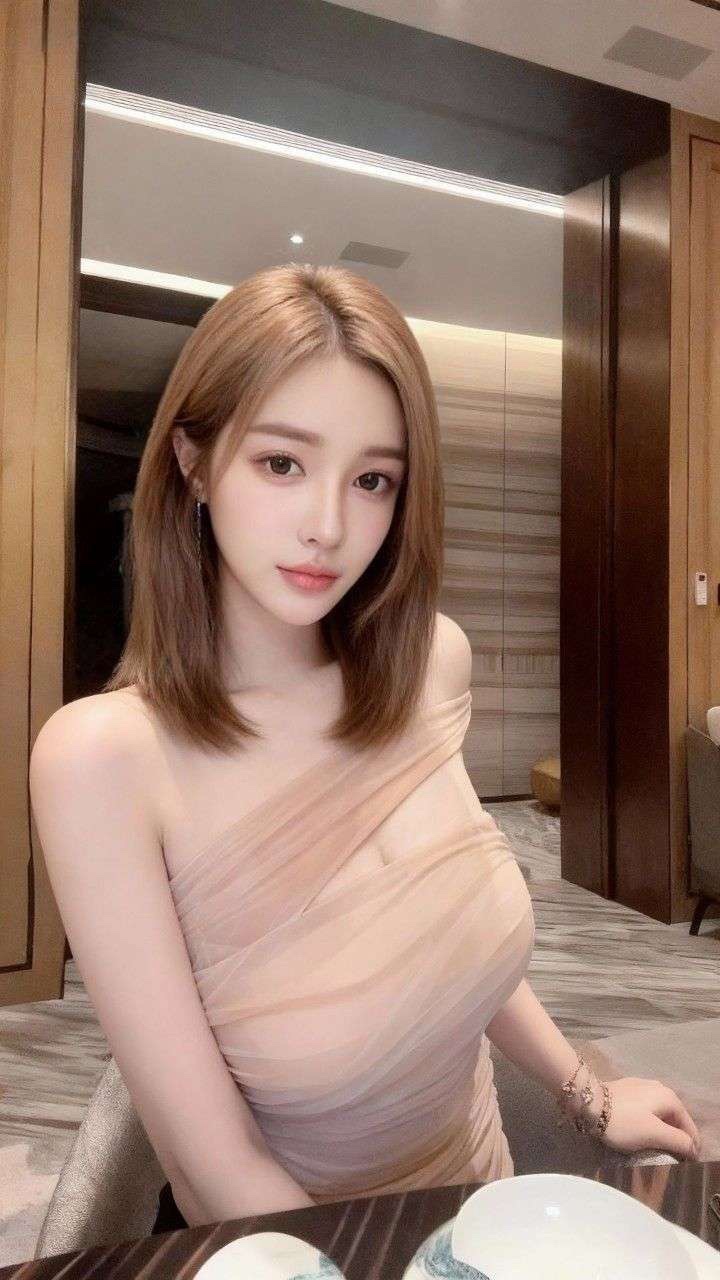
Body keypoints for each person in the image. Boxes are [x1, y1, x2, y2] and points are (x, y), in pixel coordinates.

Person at [29, 263, 699, 1234]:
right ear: (193, 462)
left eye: (373, 479)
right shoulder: (106, 760)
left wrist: (585, 1094)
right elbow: (215, 1169)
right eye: (282, 463)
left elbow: (446, 936)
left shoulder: (431, 664)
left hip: (486, 1205)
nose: (330, 526)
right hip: (298, 1243)